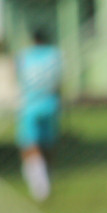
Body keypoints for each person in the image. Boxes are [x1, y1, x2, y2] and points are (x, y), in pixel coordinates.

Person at [16, 28, 63, 202]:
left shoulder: (24, 56)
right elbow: (59, 81)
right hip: (50, 103)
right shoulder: (54, 55)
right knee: (47, 145)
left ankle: (40, 185)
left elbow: (16, 76)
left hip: (31, 104)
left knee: (29, 145)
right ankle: (47, 177)